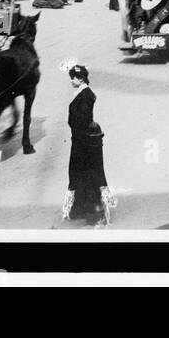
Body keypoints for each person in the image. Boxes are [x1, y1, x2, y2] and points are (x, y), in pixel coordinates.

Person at [66, 65, 108, 221]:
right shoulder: (82, 93)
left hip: (83, 141)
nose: (71, 81)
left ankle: (92, 211)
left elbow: (82, 119)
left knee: (86, 173)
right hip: (80, 139)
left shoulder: (85, 95)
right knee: (82, 173)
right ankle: (82, 208)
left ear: (81, 79)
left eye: (73, 78)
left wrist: (75, 128)